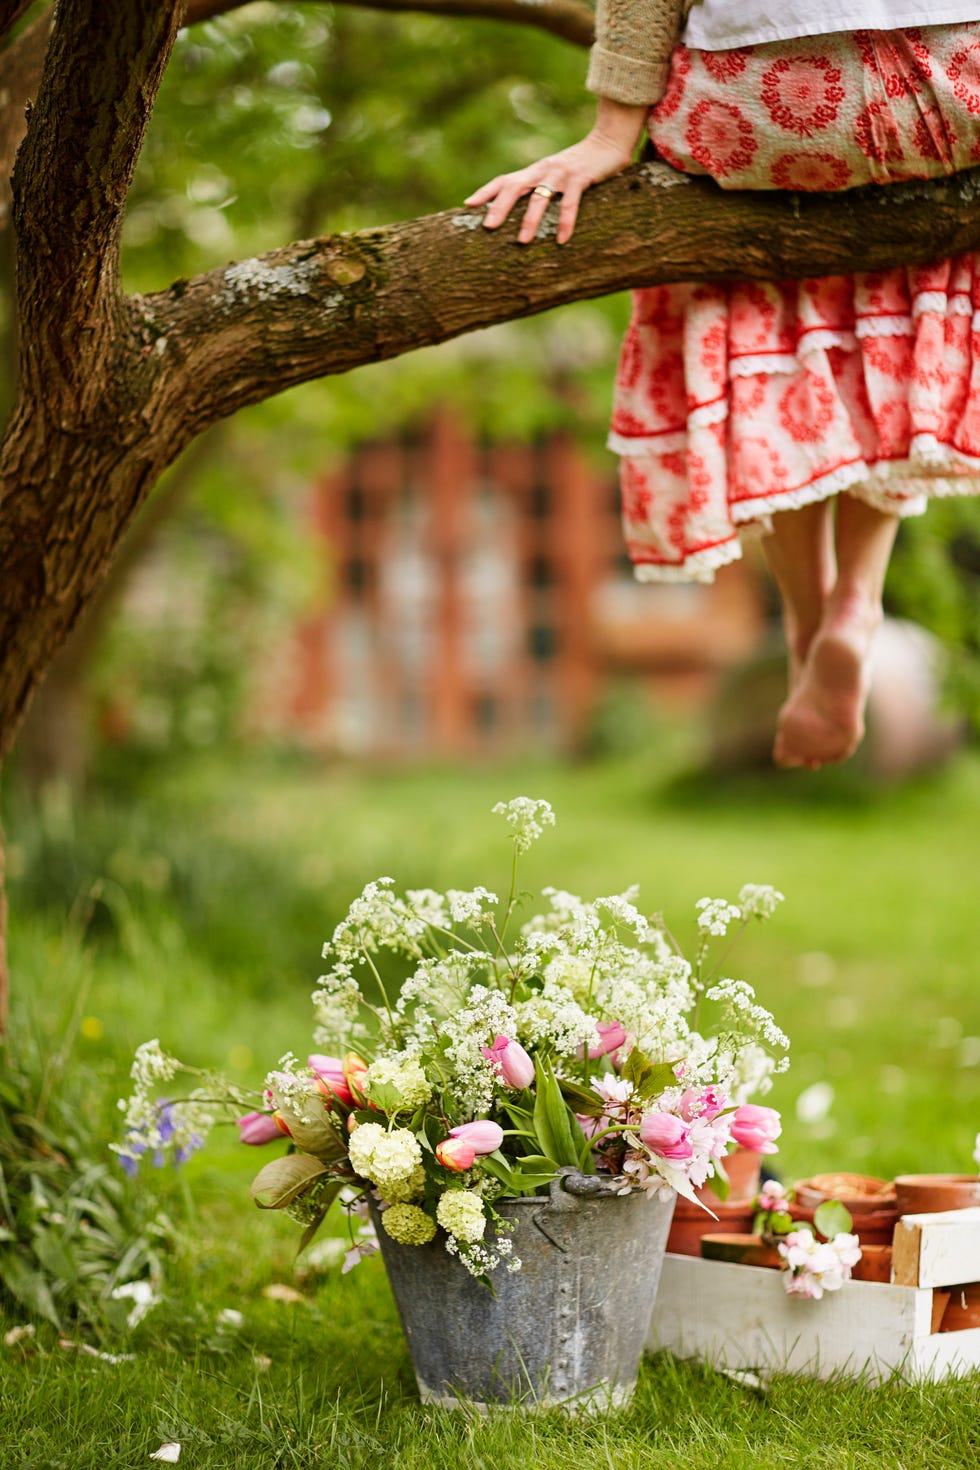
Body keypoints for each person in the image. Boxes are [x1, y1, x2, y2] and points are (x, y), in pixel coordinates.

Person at [466, 5, 980, 769]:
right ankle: (856, 612)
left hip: (767, 107)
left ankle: (811, 626)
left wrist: (611, 134)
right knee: (895, 301)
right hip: (951, 88)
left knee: (764, 315)